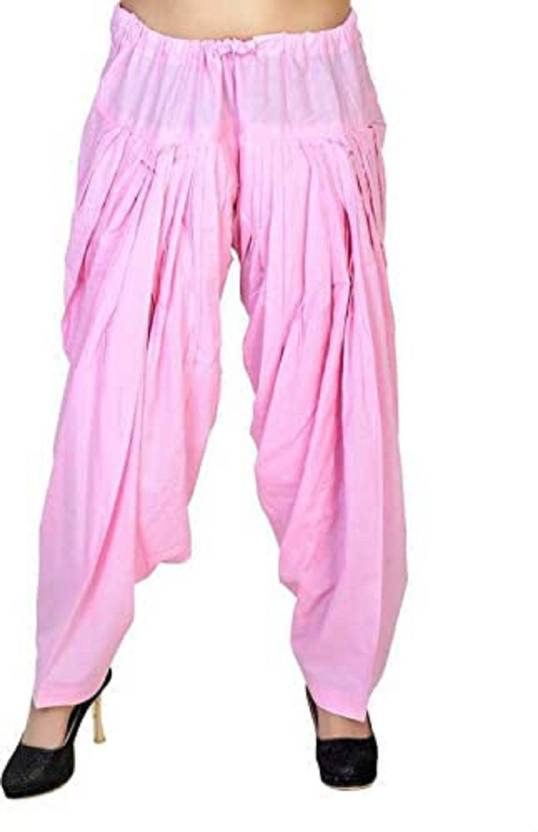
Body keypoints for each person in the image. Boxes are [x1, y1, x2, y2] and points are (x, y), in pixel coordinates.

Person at [1, 0, 407, 797]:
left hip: (310, 76)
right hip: (160, 78)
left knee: (335, 390)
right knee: (114, 394)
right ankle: (69, 671)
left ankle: (341, 679)